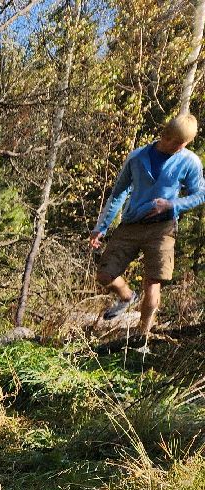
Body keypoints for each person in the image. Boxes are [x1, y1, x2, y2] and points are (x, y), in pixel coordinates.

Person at [90, 114, 205, 349]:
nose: (179, 147)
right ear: (165, 135)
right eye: (175, 142)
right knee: (104, 275)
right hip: (131, 225)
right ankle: (127, 297)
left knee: (153, 284)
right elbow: (118, 193)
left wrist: (172, 205)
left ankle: (142, 339)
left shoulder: (189, 161)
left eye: (183, 144)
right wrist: (100, 228)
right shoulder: (138, 156)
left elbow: (200, 194)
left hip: (162, 229)